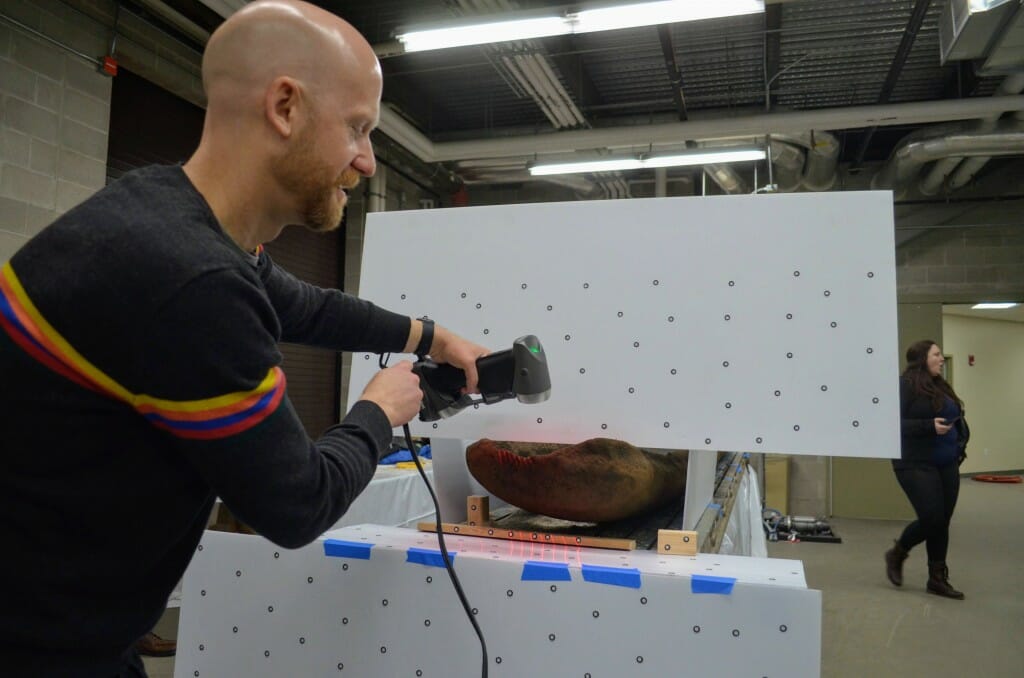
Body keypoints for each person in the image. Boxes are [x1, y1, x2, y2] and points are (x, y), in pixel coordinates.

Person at [0, 2, 489, 675]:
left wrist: (432, 339)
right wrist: (382, 409)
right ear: (285, 107)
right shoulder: (190, 281)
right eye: (358, 128)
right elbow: (297, 503)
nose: (369, 162)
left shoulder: (166, 212)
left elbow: (305, 308)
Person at [884, 339, 969, 600]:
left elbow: (957, 417)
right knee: (932, 518)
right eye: (937, 354)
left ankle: (937, 578)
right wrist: (928, 427)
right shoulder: (905, 386)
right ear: (922, 358)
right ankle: (898, 552)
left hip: (947, 462)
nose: (942, 359)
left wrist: (960, 442)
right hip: (914, 463)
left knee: (942, 521)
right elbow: (890, 425)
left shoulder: (939, 385)